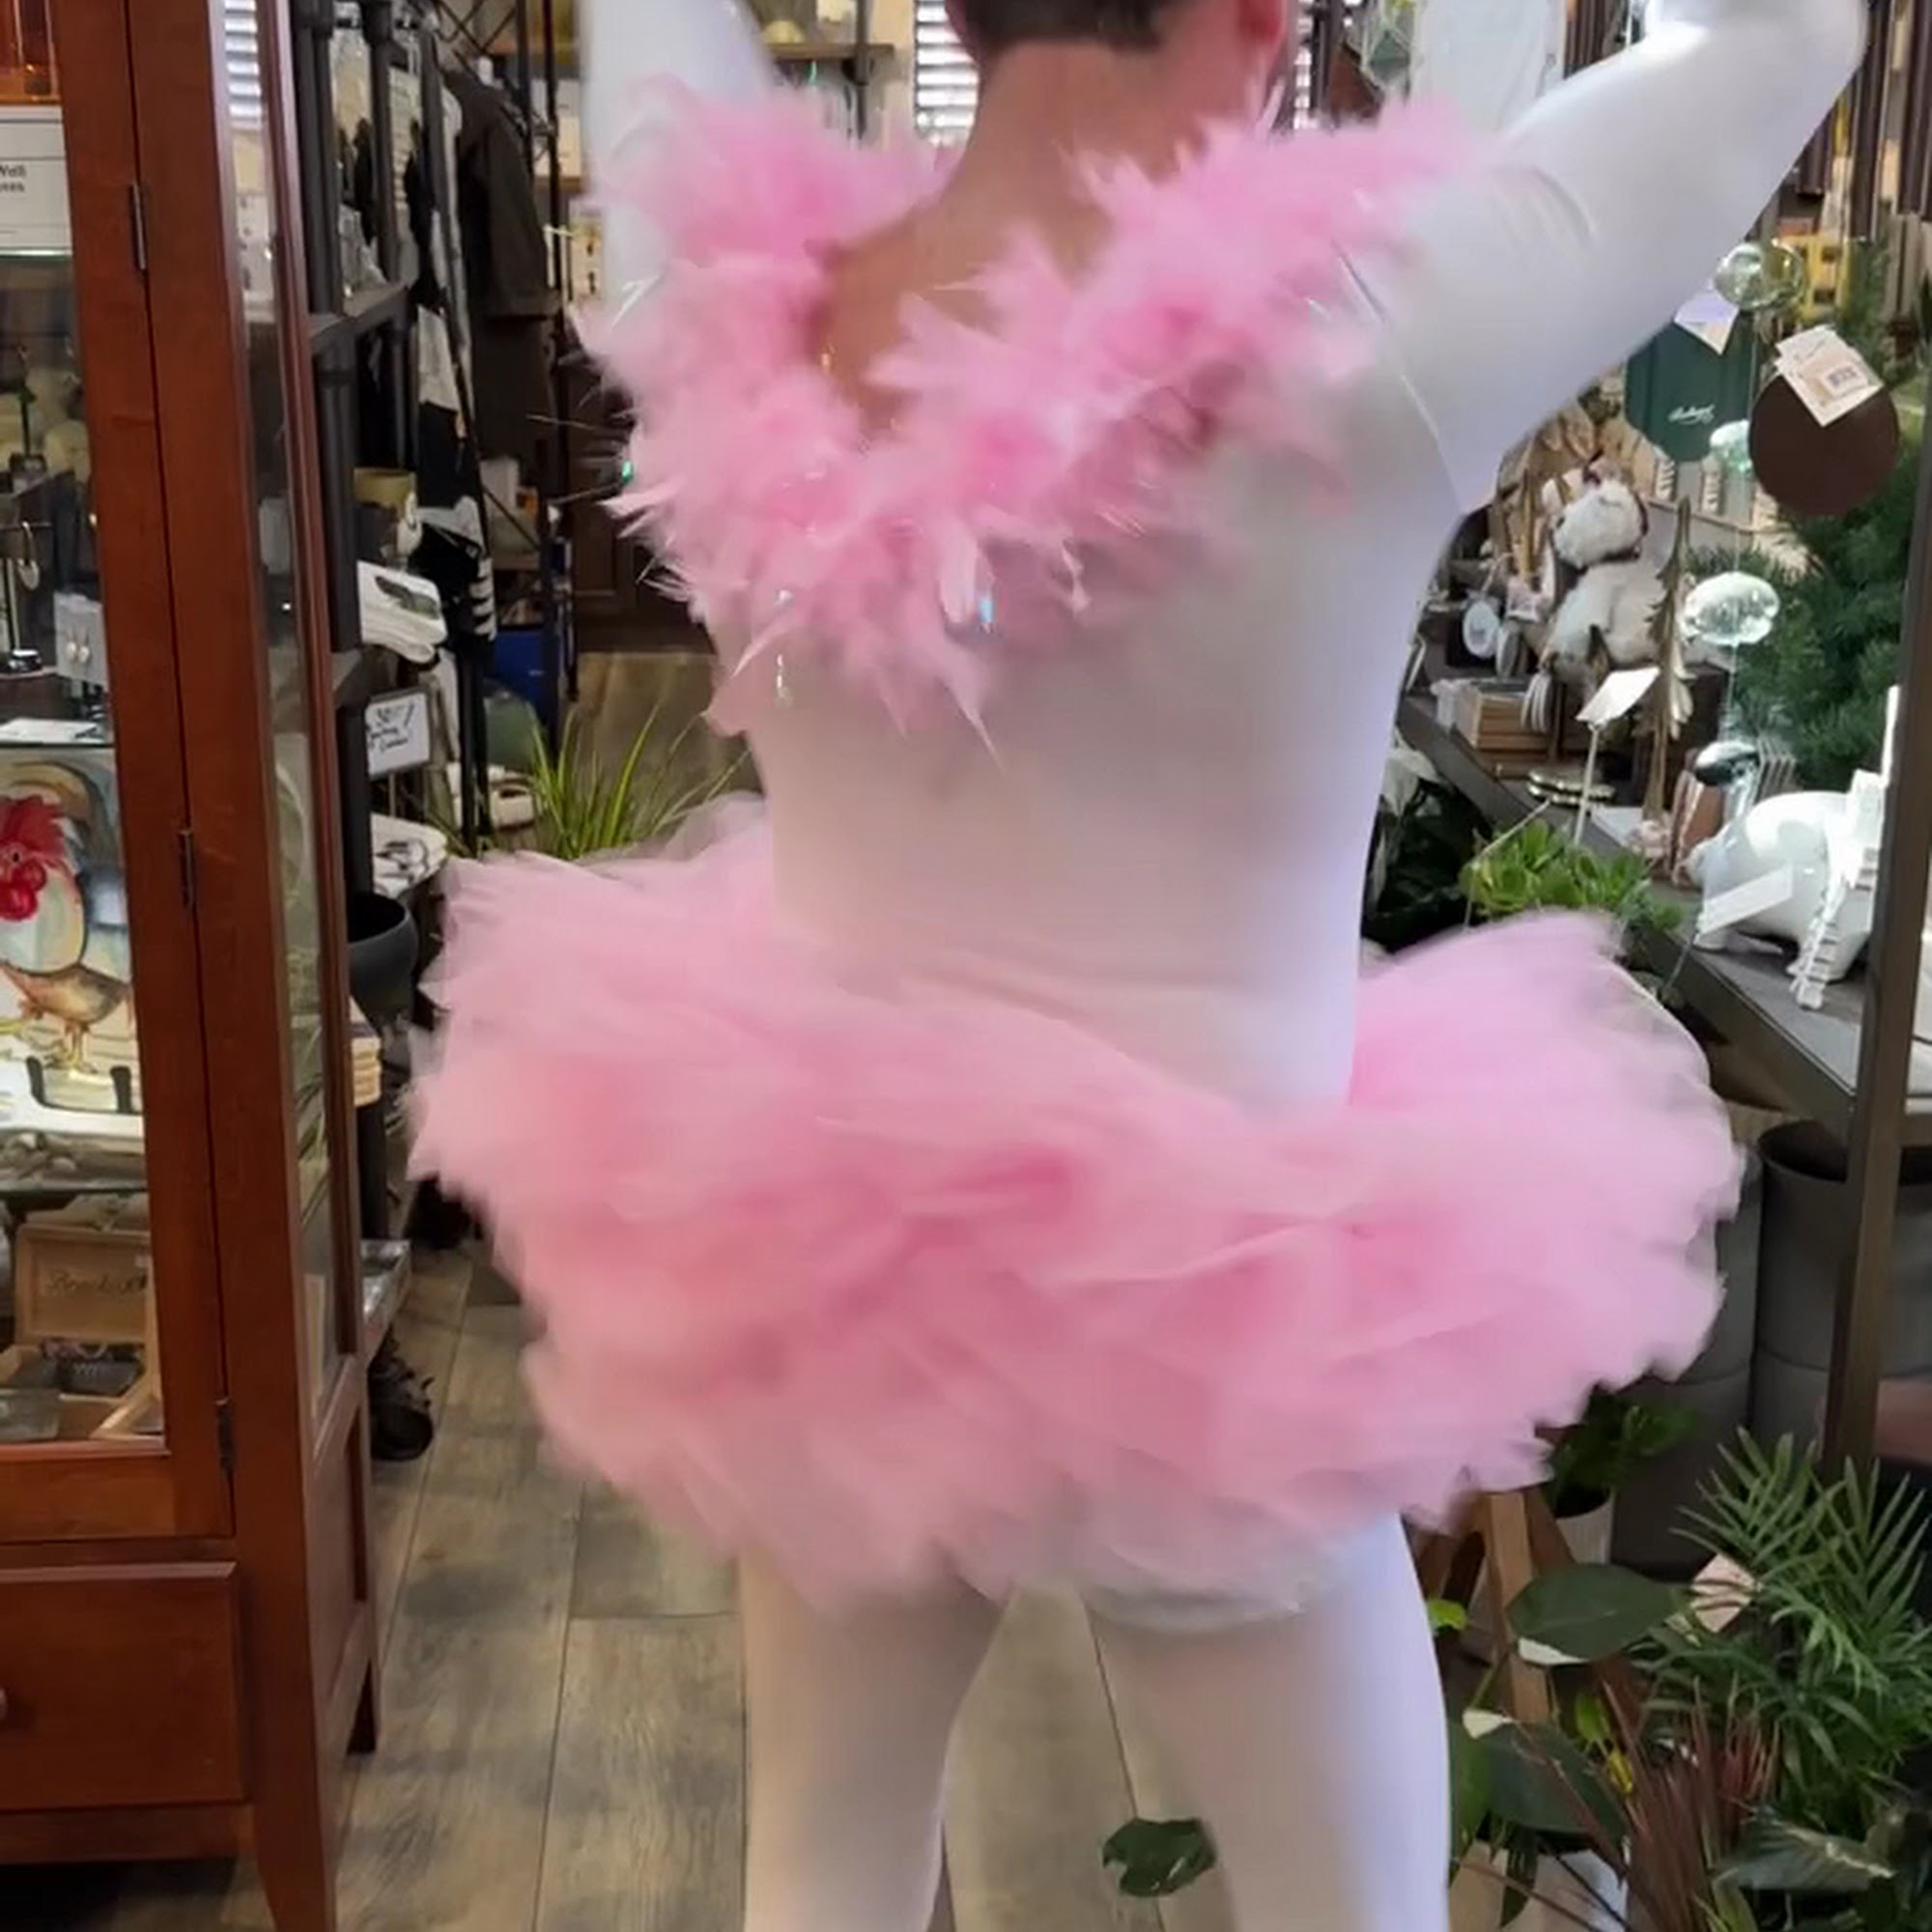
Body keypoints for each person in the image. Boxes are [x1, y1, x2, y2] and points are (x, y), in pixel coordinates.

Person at [413, 0, 1864, 1924]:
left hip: (836, 1261)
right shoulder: (1377, 332)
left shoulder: (735, 312)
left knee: (823, 1872)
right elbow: (1782, 34)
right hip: (1228, 1327)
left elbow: (653, 37)